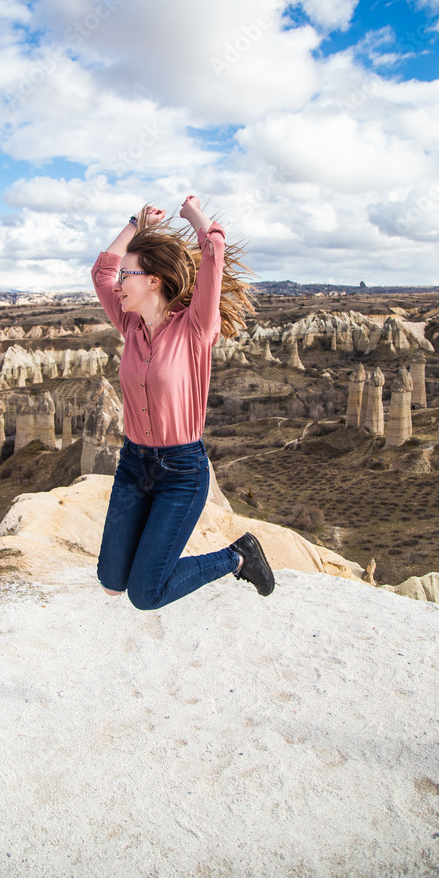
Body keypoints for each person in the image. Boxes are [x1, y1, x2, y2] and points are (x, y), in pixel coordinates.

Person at [90, 195, 275, 611]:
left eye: (127, 276)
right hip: (133, 464)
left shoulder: (195, 327)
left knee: (146, 595)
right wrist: (134, 224)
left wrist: (193, 215)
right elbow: (101, 271)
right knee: (110, 582)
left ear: (153, 280)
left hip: (180, 471)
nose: (118, 283)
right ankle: (147, 560)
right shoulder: (130, 324)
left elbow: (213, 252)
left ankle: (239, 556)